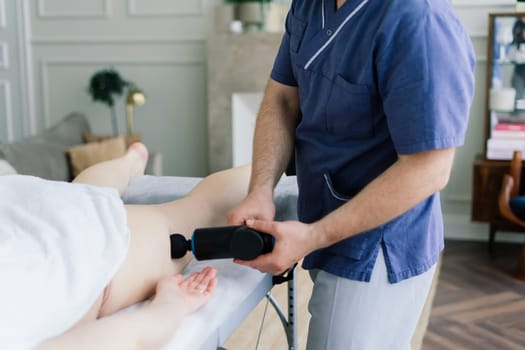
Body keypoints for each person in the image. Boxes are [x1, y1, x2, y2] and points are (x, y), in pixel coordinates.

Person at [227, 0, 475, 349]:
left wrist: (312, 236)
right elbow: (282, 98)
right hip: (322, 220)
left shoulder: (420, 19)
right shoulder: (310, 7)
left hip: (377, 248)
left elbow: (428, 169)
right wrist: (260, 189)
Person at [0, 143, 252, 350]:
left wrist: (171, 306)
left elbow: (126, 336)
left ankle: (282, 161)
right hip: (22, 204)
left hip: (76, 244)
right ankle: (128, 162)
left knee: (199, 209)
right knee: (83, 194)